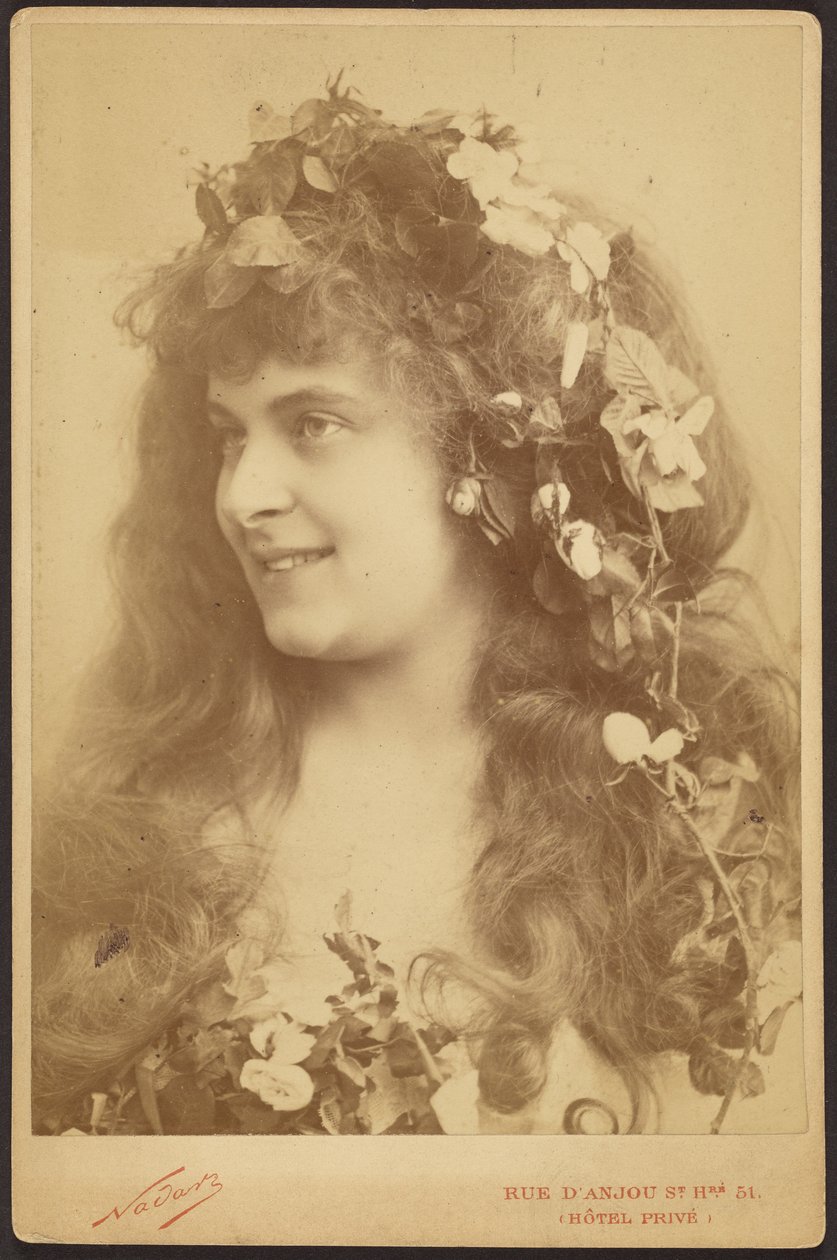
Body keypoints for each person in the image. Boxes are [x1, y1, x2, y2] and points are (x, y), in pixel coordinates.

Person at [32, 75, 803, 1137]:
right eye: (228, 435)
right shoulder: (154, 796)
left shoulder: (685, 811)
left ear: (483, 454)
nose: (243, 495)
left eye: (314, 423)